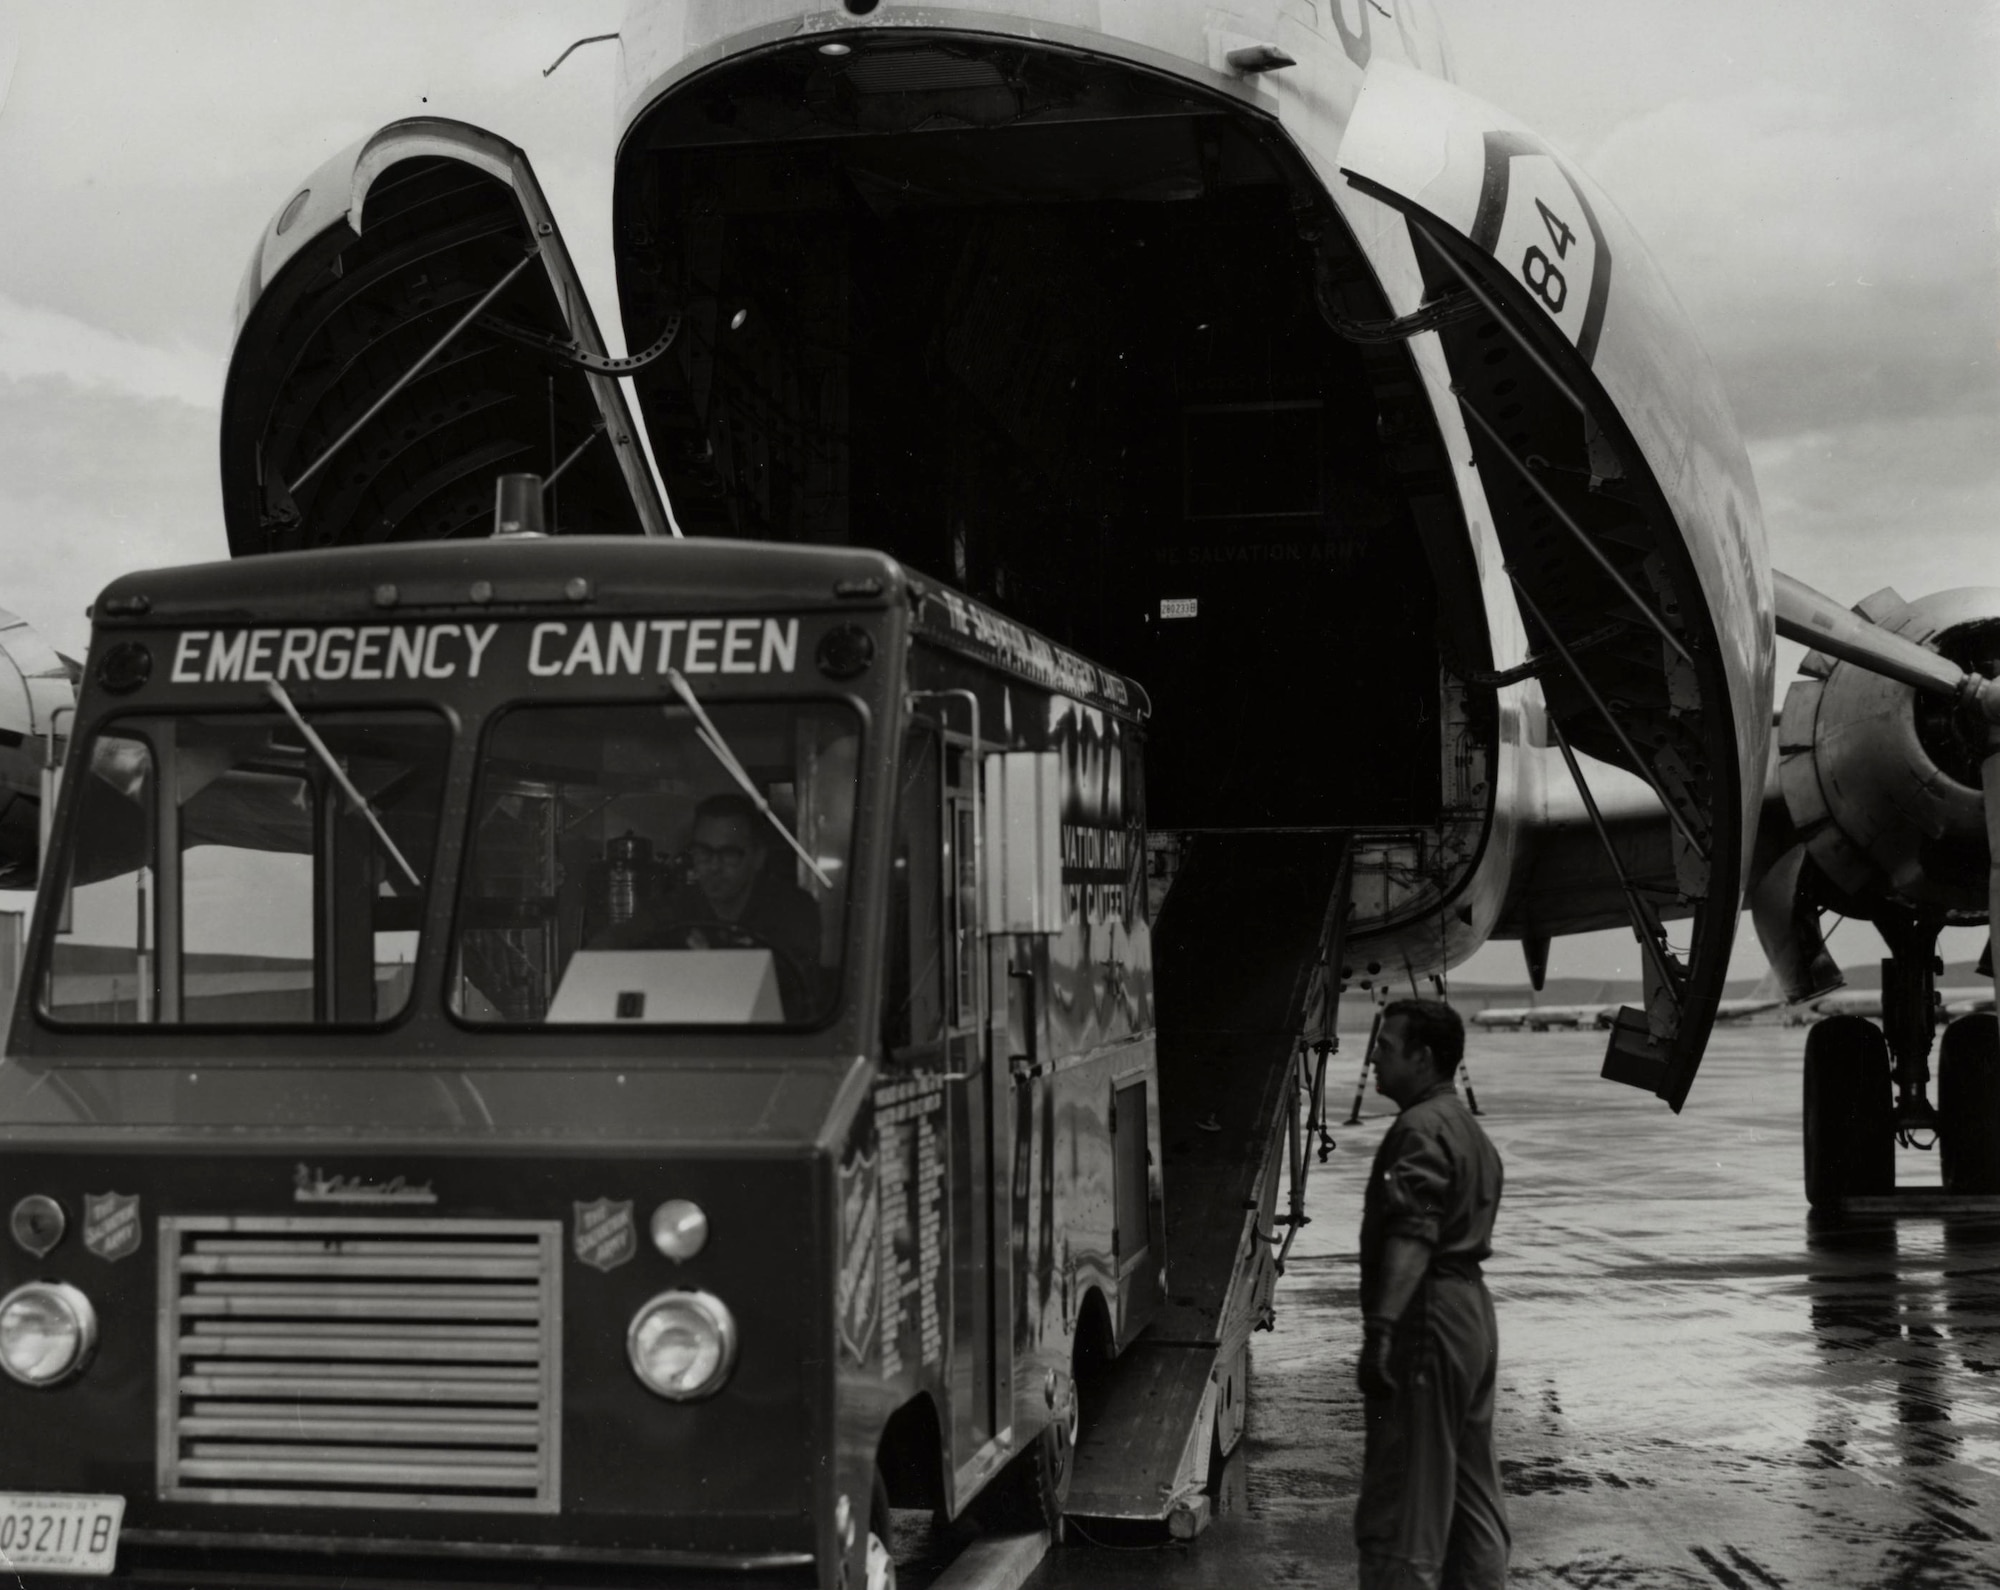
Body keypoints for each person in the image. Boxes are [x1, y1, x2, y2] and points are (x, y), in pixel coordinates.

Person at [1353, 998, 1510, 1590]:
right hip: (1472, 1313)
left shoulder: (1419, 1129)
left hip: (1428, 1314)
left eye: (1387, 1047)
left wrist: (1382, 1331)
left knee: (1404, 1511)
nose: (1374, 1057)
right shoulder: (1468, 1128)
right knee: (1473, 1508)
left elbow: (1413, 1236)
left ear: (1422, 1058)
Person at [595, 792, 822, 1016]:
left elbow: (787, 980)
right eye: (703, 852)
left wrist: (712, 964)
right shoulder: (676, 904)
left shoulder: (792, 909)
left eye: (729, 854)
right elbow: (609, 946)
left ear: (758, 857)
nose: (713, 866)